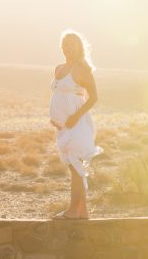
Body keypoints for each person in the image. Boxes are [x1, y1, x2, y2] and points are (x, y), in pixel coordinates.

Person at [48, 28, 103, 219]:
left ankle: (74, 210)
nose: (67, 48)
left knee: (76, 165)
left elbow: (94, 97)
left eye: (72, 45)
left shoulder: (82, 69)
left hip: (77, 124)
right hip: (62, 126)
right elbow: (58, 95)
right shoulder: (58, 68)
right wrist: (56, 117)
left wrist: (75, 117)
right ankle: (82, 211)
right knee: (73, 167)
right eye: (65, 45)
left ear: (79, 47)